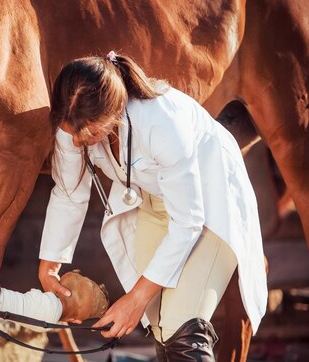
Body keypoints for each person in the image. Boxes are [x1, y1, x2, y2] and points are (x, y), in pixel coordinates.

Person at [37, 52, 268, 360]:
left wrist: (135, 299)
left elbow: (188, 222)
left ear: (115, 112)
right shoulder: (74, 121)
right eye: (71, 133)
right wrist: (48, 267)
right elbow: (69, 193)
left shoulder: (162, 122)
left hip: (211, 205)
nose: (78, 143)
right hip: (152, 205)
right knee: (159, 327)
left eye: (90, 134)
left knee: (179, 327)